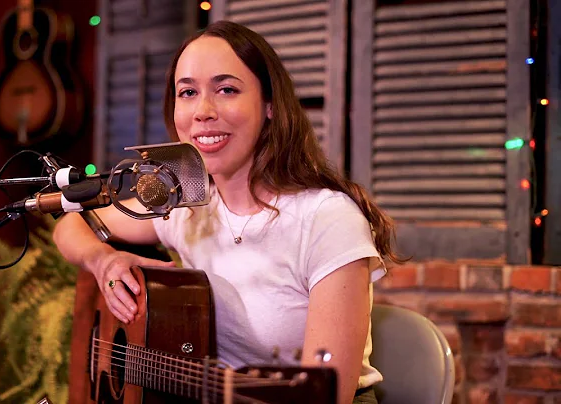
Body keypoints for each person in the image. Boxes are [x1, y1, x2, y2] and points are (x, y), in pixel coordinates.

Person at [53, 20, 407, 404]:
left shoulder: (326, 219)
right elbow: (71, 224)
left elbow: (324, 396)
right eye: (187, 92)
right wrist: (102, 260)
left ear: (270, 106)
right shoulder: (186, 205)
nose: (203, 111)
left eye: (226, 89)